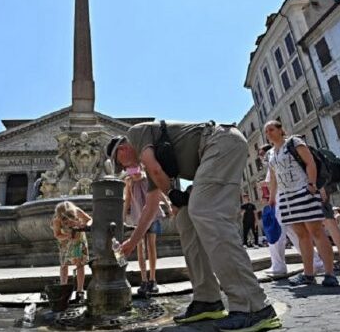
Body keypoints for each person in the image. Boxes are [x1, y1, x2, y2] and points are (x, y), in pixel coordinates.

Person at [107, 121, 281, 332]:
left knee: (204, 210)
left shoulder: (135, 133)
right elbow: (150, 206)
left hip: (221, 142)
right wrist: (132, 242)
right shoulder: (149, 163)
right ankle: (207, 299)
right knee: (185, 220)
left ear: (122, 150)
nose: (125, 169)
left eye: (121, 164)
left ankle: (254, 307)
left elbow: (154, 168)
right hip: (211, 154)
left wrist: (172, 194)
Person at [265, 121, 338, 287]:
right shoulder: (270, 154)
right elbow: (274, 177)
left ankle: (329, 273)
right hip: (286, 197)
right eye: (266, 131)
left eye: (271, 129)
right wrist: (272, 197)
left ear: (281, 130)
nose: (268, 133)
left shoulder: (294, 142)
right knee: (301, 235)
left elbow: (310, 162)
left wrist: (312, 185)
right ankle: (308, 273)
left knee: (316, 232)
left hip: (303, 192)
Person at [258, 146, 324, 278]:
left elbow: (273, 183)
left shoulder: (274, 159)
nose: (260, 157)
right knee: (295, 234)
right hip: (285, 201)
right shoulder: (276, 160)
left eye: (261, 154)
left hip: (279, 203)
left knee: (275, 234)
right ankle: (316, 262)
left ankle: (278, 266)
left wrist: (269, 196)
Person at [123, 165, 169, 296]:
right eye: (133, 174)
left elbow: (159, 193)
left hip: (153, 216)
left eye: (137, 173)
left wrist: (168, 206)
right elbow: (127, 200)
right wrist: (123, 217)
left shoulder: (148, 179)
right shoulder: (130, 183)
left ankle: (153, 279)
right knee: (140, 248)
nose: (136, 176)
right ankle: (144, 279)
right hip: (138, 218)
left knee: (151, 247)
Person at [52, 201, 91, 303]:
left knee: (80, 264)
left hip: (78, 240)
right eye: (66, 223)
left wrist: (84, 225)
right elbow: (57, 234)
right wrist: (66, 236)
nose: (69, 224)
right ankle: (63, 289)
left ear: (74, 215)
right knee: (64, 264)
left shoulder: (77, 211)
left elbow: (89, 220)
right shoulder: (57, 219)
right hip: (65, 243)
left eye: (71, 221)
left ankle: (80, 290)